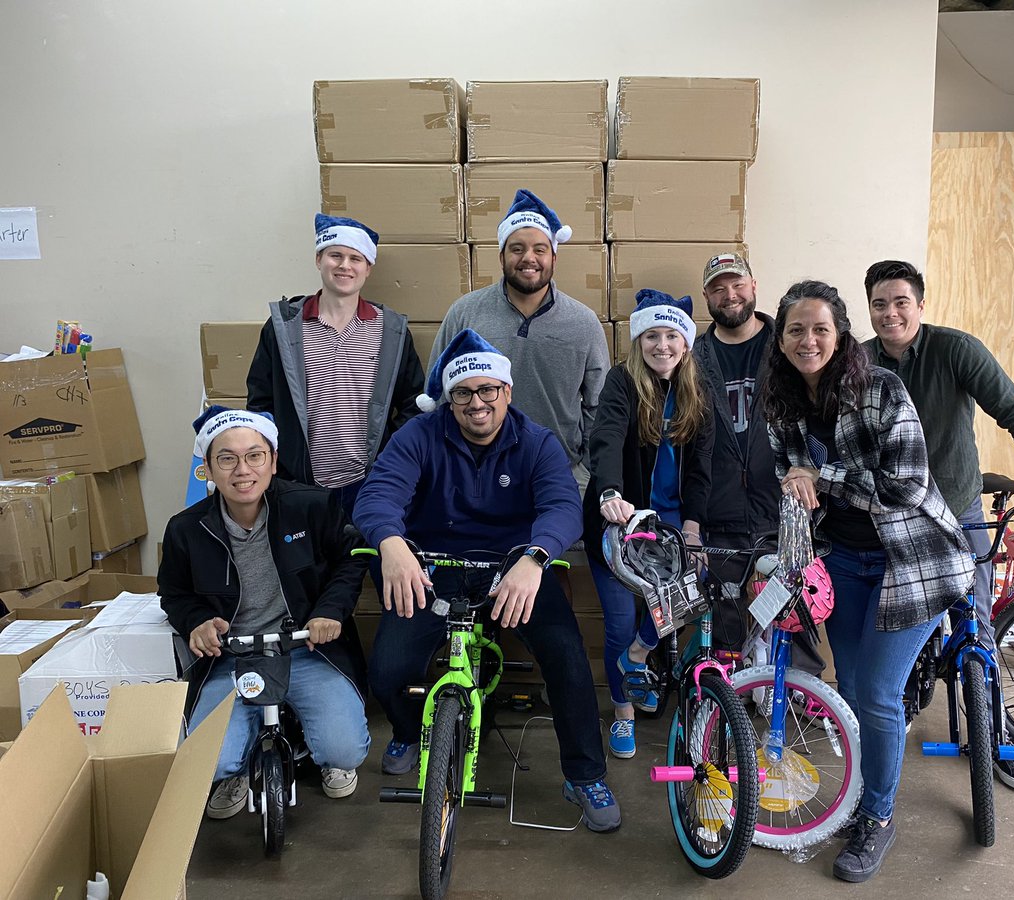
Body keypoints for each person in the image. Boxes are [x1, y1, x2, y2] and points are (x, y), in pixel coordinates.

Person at [353, 329, 621, 833]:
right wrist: (391, 542)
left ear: (507, 393)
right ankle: (411, 732)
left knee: (566, 656)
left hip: (514, 569)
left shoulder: (537, 442)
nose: (477, 403)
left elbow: (563, 506)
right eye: (463, 393)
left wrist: (535, 557)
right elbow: (378, 493)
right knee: (388, 670)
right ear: (448, 399)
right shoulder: (418, 435)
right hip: (434, 568)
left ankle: (585, 774)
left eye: (487, 391)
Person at [762, 281, 973, 883]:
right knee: (850, 691)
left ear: (842, 334)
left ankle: (877, 818)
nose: (808, 340)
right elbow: (785, 468)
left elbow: (904, 486)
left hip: (913, 564)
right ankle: (861, 798)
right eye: (796, 330)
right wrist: (797, 483)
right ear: (780, 339)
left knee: (878, 697)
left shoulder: (881, 389)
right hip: (845, 564)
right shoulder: (781, 401)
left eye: (820, 329)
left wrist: (821, 476)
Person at [863, 259, 1014, 794]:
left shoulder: (956, 350)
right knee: (889, 617)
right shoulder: (858, 362)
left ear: (921, 305)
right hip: (891, 517)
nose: (891, 314)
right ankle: (900, 700)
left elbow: (1012, 410)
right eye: (880, 304)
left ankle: (995, 740)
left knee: (975, 623)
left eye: (901, 302)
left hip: (956, 512)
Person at [159, 407, 370, 820]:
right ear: (208, 468)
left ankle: (305, 739)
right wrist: (196, 622)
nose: (243, 470)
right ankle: (239, 762)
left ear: (273, 461)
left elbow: (353, 558)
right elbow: (174, 593)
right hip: (232, 656)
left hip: (306, 650)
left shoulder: (310, 506)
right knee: (211, 764)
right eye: (227, 458)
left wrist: (329, 611)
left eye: (255, 456)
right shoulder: (186, 529)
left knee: (345, 749)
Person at [583, 289, 713, 758]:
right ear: (638, 341)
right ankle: (622, 714)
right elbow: (608, 437)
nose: (662, 345)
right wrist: (610, 493)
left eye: (672, 335)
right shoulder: (622, 383)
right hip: (622, 521)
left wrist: (695, 528)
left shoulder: (700, 390)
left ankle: (637, 657)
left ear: (685, 341)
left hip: (673, 529)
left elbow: (701, 468)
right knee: (619, 620)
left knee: (685, 600)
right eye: (652, 335)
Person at [692, 253, 823, 672]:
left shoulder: (787, 345)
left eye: (737, 284)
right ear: (706, 296)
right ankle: (732, 701)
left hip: (783, 509)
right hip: (720, 511)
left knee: (794, 609)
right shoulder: (693, 356)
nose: (729, 295)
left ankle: (798, 693)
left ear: (753, 285)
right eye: (718, 287)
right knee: (727, 619)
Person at [429, 189, 610, 490]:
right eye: (517, 248)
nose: (529, 258)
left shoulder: (584, 323)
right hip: (473, 477)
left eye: (540, 249)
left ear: (554, 256)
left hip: (556, 478)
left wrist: (584, 475)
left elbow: (598, 409)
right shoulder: (465, 313)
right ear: (501, 256)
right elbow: (438, 398)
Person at [246, 213, 425, 517]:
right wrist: (279, 464)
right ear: (319, 260)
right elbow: (260, 402)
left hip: (368, 484)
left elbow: (415, 401)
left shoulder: (391, 331)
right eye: (335, 255)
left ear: (368, 268)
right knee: (307, 565)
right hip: (298, 484)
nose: (345, 265)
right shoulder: (284, 328)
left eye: (356, 258)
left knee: (363, 563)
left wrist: (386, 457)